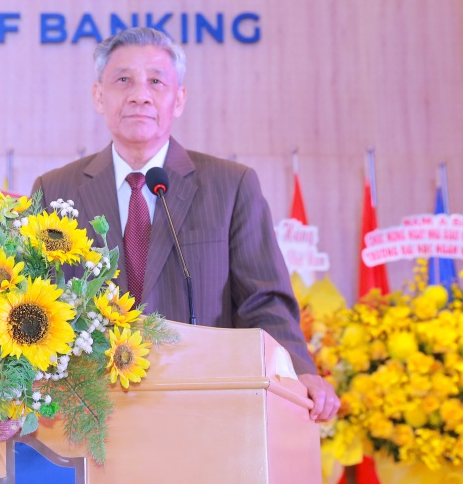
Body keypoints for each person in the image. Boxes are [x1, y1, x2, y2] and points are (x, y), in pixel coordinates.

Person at [31, 27, 340, 422]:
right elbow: (35, 300)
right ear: (99, 96)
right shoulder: (56, 191)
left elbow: (263, 301)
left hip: (203, 409)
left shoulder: (230, 186)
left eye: (156, 82)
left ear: (178, 99)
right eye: (123, 80)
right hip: (90, 414)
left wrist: (297, 371)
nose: (140, 95)